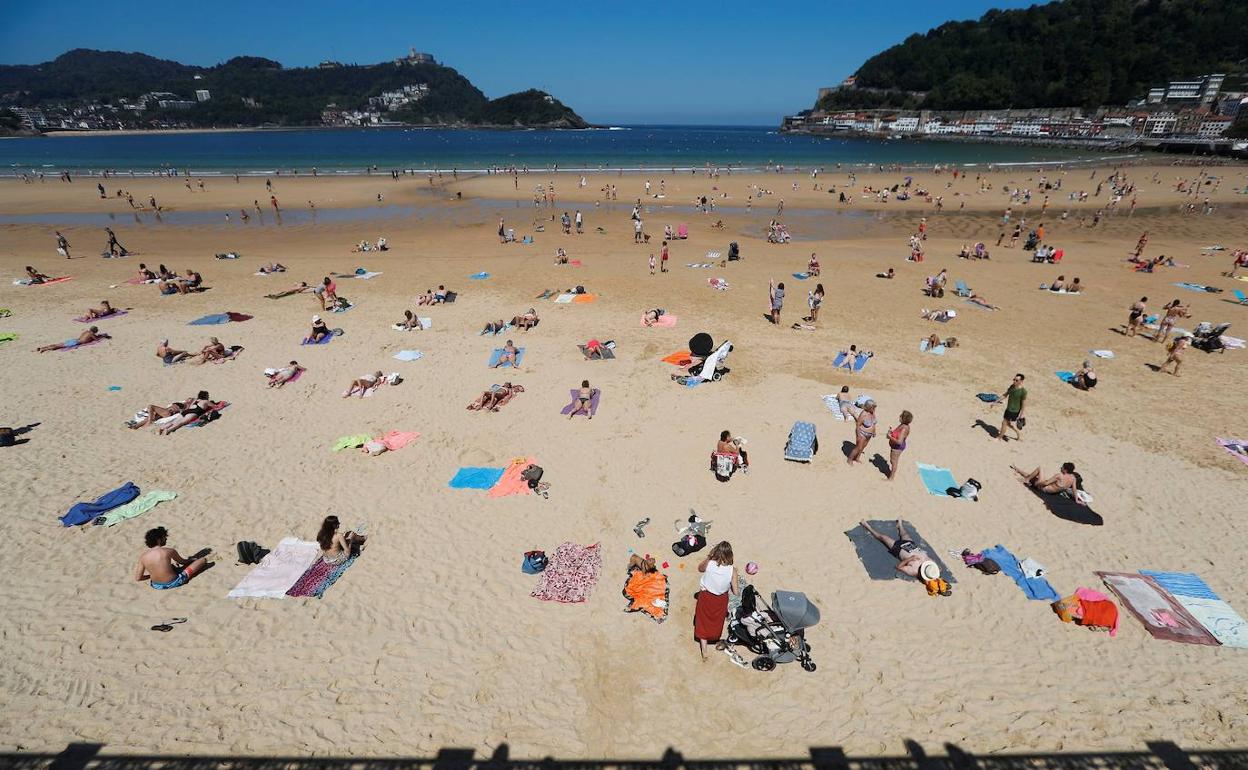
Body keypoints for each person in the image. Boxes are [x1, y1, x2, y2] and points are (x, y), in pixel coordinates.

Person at [859, 520, 949, 595]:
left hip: (898, 549)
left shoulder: (914, 571)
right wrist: (935, 571)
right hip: (911, 546)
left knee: (883, 537)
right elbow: (939, 568)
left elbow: (899, 567)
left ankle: (867, 526)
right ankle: (900, 525)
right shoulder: (931, 566)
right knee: (904, 534)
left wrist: (910, 559)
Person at [694, 541, 738, 661]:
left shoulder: (710, 564)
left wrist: (709, 556)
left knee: (702, 621)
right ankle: (714, 637)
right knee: (716, 621)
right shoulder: (732, 570)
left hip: (706, 597)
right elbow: (736, 591)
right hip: (721, 600)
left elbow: (700, 568)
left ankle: (704, 651)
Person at [133, 527, 209, 590]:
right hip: (174, 582)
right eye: (164, 537)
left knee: (171, 567)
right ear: (159, 540)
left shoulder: (143, 557)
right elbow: (183, 562)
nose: (166, 539)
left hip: (156, 585)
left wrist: (152, 575)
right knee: (202, 560)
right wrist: (191, 560)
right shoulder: (169, 551)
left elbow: (138, 578)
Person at [1012, 462, 1083, 500]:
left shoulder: (1059, 476)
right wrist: (1076, 500)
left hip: (1043, 488)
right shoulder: (1073, 478)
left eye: (1062, 467)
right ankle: (1018, 469)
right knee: (1032, 476)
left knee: (1040, 469)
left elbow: (1046, 483)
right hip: (1051, 490)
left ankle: (1026, 480)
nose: (1061, 468)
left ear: (1065, 470)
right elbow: (1074, 489)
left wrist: (1037, 483)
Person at [997, 373, 1027, 442]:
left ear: (1021, 381)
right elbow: (1005, 395)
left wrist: (1021, 415)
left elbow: (1023, 404)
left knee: (1004, 423)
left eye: (1016, 380)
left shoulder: (1023, 392)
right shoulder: (1012, 387)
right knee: (1008, 424)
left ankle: (999, 438)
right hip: (1008, 409)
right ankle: (1018, 433)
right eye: (1014, 379)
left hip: (1014, 411)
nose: (1014, 381)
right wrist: (996, 401)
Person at [846, 399, 877, 465]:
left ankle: (857, 458)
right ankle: (850, 459)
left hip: (869, 434)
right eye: (873, 407)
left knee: (863, 447)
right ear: (869, 407)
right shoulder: (863, 414)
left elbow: (873, 423)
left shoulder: (872, 412)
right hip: (862, 433)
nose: (874, 409)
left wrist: (874, 431)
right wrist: (858, 435)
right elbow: (858, 425)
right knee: (858, 447)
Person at [37, 326, 108, 352]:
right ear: (95, 331)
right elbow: (96, 340)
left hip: (74, 340)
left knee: (59, 344)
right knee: (59, 346)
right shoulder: (92, 334)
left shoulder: (86, 331)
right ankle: (44, 349)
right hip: (76, 343)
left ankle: (42, 347)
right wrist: (102, 336)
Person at [886, 411, 912, 481]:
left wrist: (890, 437)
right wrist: (892, 432)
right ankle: (892, 474)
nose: (899, 417)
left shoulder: (904, 428)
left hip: (897, 448)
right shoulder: (902, 425)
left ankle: (891, 478)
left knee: (894, 461)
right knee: (892, 461)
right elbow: (898, 435)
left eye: (901, 416)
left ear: (904, 418)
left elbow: (899, 442)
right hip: (895, 446)